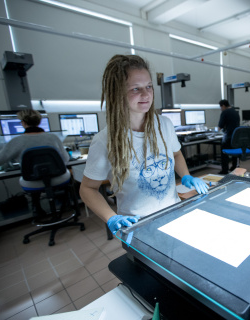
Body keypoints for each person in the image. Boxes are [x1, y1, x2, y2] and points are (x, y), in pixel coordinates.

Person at [79, 54, 208, 235]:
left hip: (174, 214)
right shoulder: (104, 141)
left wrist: (186, 176)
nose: (146, 94)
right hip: (139, 227)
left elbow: (176, 154)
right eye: (135, 89)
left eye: (148, 86)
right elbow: (87, 188)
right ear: (118, 93)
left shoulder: (164, 124)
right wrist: (111, 217)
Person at [0, 109, 70, 214]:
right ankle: (64, 207)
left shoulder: (16, 141)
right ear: (39, 121)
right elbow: (66, 159)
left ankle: (37, 209)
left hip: (32, 182)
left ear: (23, 122)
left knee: (31, 176)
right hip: (58, 178)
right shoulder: (53, 138)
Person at [218, 99, 240, 174]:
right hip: (236, 137)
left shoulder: (225, 112)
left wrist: (216, 131)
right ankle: (234, 166)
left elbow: (220, 126)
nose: (221, 109)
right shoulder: (235, 112)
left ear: (223, 106)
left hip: (229, 137)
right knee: (234, 151)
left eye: (221, 107)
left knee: (223, 151)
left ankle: (224, 170)